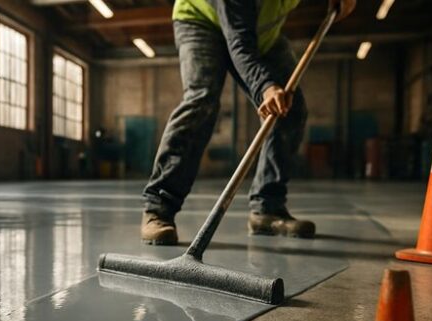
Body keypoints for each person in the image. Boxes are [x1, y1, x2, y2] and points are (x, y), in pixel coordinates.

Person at [141, 0, 356, 245]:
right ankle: (158, 209)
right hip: (201, 21)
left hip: (259, 34)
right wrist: (265, 87)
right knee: (202, 100)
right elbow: (239, 46)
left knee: (290, 107)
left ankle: (268, 209)